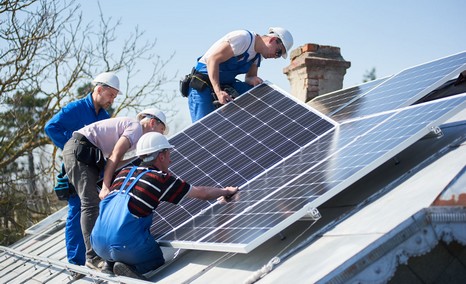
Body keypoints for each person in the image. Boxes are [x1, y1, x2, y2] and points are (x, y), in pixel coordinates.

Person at [90, 132, 239, 279]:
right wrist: (226, 191)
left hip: (96, 241)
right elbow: (202, 193)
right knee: (156, 259)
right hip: (125, 245)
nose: (170, 160)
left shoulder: (124, 172)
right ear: (161, 156)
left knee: (117, 238)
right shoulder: (159, 179)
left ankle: (109, 263)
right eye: (169, 154)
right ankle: (131, 267)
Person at [62, 108, 169, 273]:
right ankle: (93, 258)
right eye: (161, 131)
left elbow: (114, 161)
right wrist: (105, 186)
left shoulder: (134, 134)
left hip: (87, 152)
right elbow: (114, 157)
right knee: (91, 203)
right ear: (152, 122)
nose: (160, 136)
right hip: (80, 150)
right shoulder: (135, 127)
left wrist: (141, 157)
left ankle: (105, 257)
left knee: (95, 202)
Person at [44, 71, 120, 279]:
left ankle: (97, 254)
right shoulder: (75, 109)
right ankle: (75, 263)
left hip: (94, 169)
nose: (112, 100)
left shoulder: (104, 117)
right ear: (99, 89)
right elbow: (51, 127)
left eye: (115, 97)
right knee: (77, 210)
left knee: (94, 208)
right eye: (111, 95)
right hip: (77, 168)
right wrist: (73, 150)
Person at [187, 27, 293, 122]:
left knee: (262, 94)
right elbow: (213, 60)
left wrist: (253, 80)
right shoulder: (243, 39)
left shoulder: (258, 56)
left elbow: (249, 77)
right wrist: (218, 92)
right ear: (273, 40)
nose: (275, 56)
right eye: (278, 52)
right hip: (203, 83)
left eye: (278, 56)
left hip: (227, 84)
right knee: (204, 126)